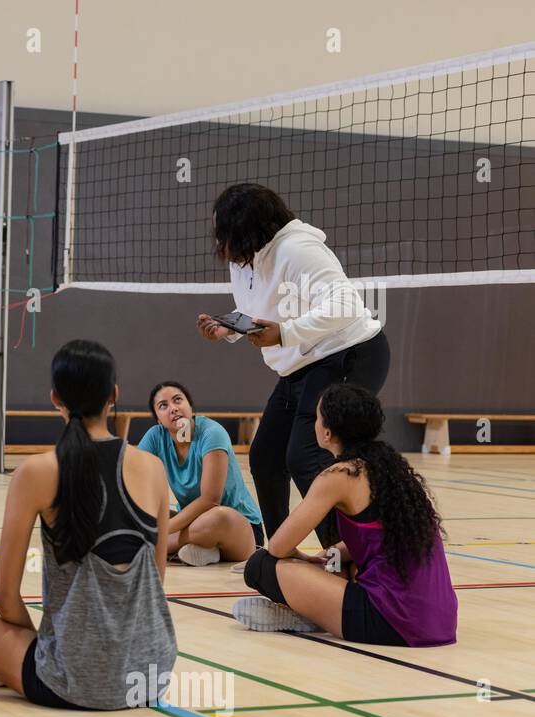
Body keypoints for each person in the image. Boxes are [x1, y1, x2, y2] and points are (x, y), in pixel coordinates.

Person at [0, 340, 177, 710]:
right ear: (113, 395)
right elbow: (156, 584)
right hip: (152, 676)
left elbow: (5, 598)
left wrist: (37, 649)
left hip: (72, 682)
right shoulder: (152, 467)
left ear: (55, 398)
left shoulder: (36, 471)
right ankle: (3, 663)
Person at [195, 183, 389, 549]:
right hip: (302, 364)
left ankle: (345, 555)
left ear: (246, 227)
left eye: (224, 231)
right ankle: (281, 552)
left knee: (304, 455)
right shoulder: (246, 260)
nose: (219, 241)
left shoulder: (298, 249)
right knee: (266, 456)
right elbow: (264, 310)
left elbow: (346, 304)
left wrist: (285, 333)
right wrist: (230, 329)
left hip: (350, 353)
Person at [234, 383, 457, 647]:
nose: (312, 424)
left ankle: (307, 617)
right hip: (440, 621)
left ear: (327, 433)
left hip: (393, 621)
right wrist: (328, 557)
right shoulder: (390, 469)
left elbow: (279, 546)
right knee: (338, 561)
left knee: (260, 565)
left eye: (316, 417)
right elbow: (377, 538)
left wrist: (303, 560)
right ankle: (317, 610)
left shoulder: (339, 476)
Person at [138, 380, 263, 565]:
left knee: (217, 516)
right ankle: (203, 550)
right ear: (158, 418)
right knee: (146, 514)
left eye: (178, 400)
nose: (173, 408)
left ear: (190, 406)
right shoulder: (155, 436)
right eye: (163, 406)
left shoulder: (212, 433)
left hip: (239, 528)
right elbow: (132, 474)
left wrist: (159, 532)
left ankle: (153, 546)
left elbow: (210, 500)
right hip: (192, 524)